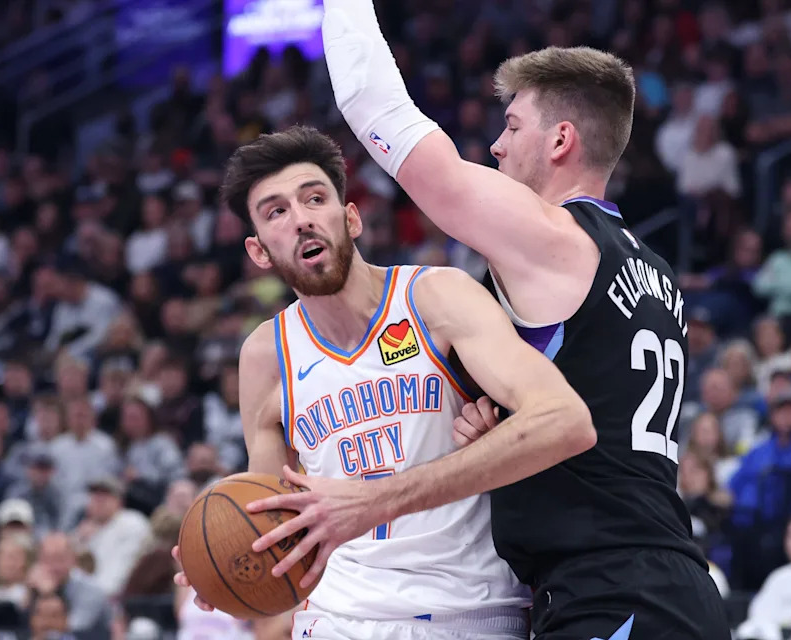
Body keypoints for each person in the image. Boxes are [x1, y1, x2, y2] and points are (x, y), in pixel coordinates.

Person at [245, 1, 731, 639]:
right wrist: (495, 426)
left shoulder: (553, 236)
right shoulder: (653, 270)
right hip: (649, 574)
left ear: (560, 140)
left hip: (609, 587)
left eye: (511, 125)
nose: (496, 145)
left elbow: (378, 109)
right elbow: (599, 393)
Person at [173, 127, 595, 639]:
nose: (302, 218)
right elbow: (273, 518)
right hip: (335, 619)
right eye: (276, 212)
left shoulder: (436, 298)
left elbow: (564, 420)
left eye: (314, 198)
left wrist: (377, 500)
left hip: (465, 613)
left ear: (350, 218)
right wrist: (227, 555)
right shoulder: (265, 354)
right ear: (260, 252)